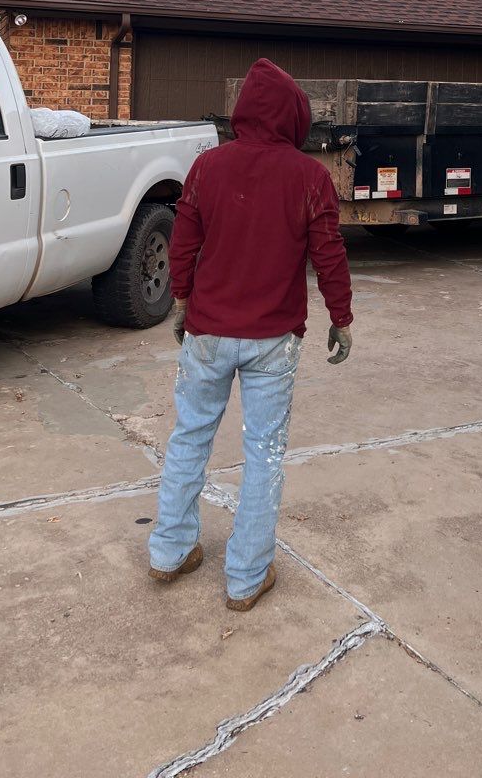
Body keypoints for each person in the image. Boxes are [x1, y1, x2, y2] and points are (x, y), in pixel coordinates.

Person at [148, 59, 353, 609]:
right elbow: (327, 254)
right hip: (273, 340)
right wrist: (342, 316)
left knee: (189, 437)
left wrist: (183, 301)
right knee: (263, 453)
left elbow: (183, 243)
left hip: (208, 331)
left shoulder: (207, 168)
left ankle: (169, 552)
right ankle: (244, 579)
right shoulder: (309, 178)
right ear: (293, 118)